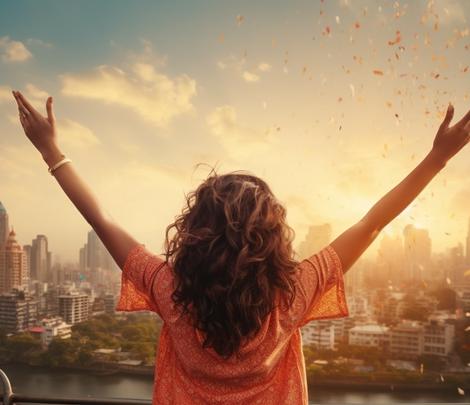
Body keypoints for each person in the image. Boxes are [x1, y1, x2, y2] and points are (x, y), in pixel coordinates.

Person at [11, 90, 470, 404]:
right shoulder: (290, 296)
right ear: (273, 242)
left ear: (194, 234)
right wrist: (437, 158)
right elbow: (371, 224)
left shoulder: (172, 292)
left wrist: (51, 151)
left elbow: (101, 219)